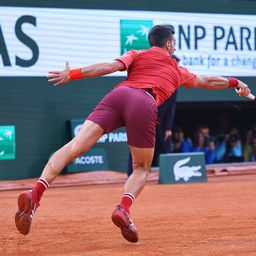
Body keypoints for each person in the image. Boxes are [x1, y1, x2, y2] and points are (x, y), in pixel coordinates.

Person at [15, 24, 252, 243]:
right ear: (169, 44)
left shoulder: (136, 54)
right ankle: (123, 209)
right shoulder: (177, 69)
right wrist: (235, 82)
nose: (175, 45)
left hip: (118, 96)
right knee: (141, 168)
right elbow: (207, 81)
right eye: (175, 42)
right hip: (143, 102)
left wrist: (74, 74)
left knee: (75, 145)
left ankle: (36, 194)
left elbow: (109, 66)